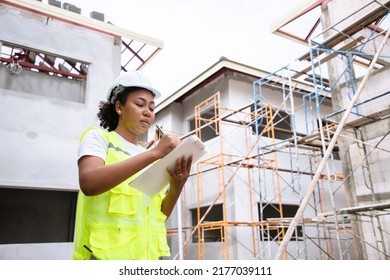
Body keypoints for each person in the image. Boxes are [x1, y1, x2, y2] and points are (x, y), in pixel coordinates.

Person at [72, 70, 192, 260]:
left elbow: (157, 216)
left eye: (152, 108)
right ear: (119, 107)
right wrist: (155, 153)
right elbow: (89, 183)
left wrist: (178, 185)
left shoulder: (148, 155)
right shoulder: (99, 138)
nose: (147, 112)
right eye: (140, 104)